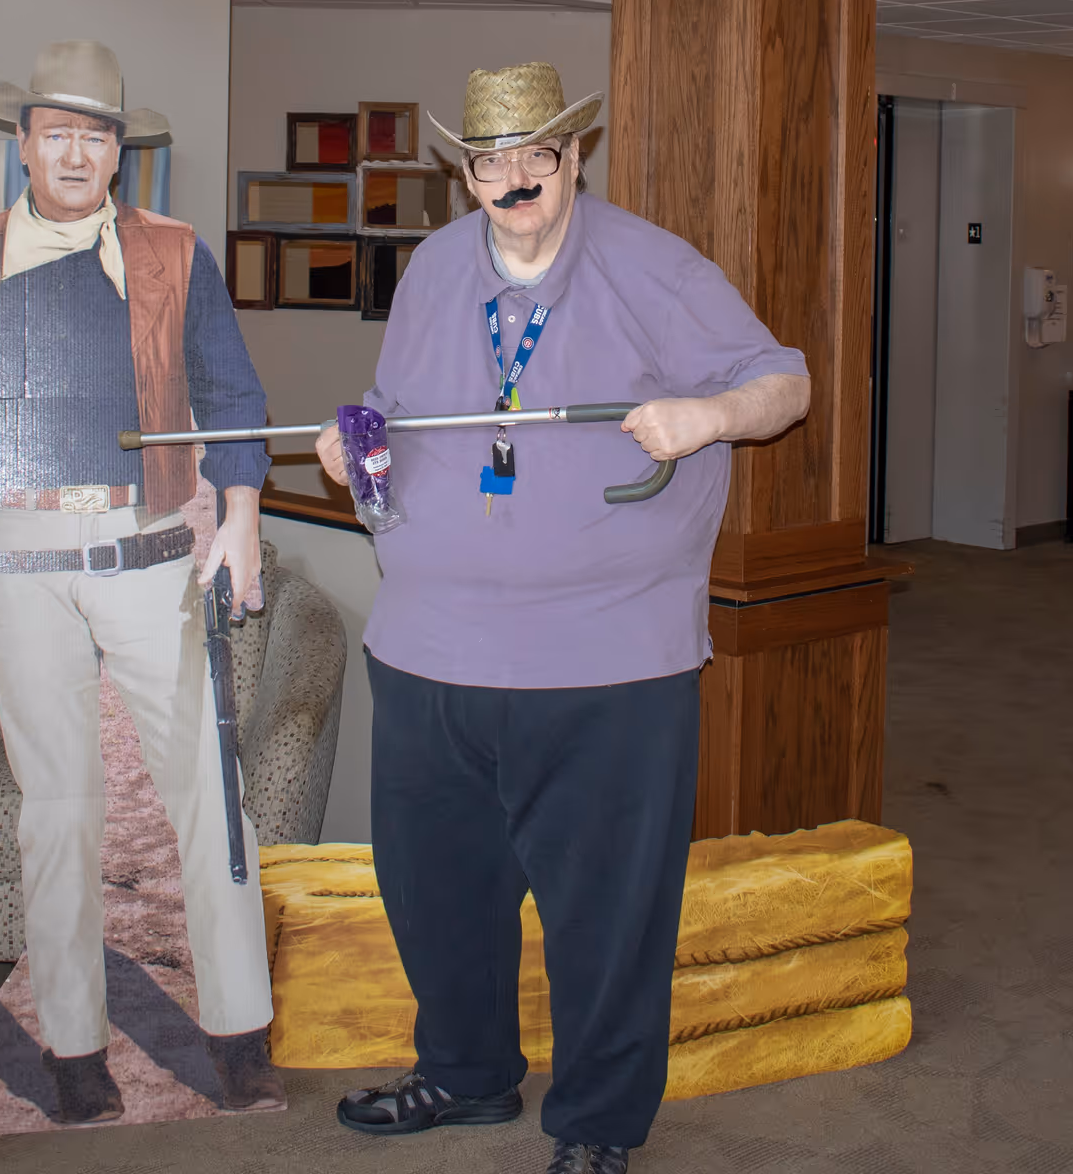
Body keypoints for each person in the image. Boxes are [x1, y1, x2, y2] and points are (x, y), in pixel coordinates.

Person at [315, 62, 811, 1174]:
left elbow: (788, 381)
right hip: (429, 650)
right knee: (438, 886)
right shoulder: (436, 269)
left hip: (610, 664)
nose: (517, 178)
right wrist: (353, 441)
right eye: (493, 158)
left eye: (540, 153)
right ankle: (467, 1070)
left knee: (609, 912)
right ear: (466, 172)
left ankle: (596, 1121)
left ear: (574, 157)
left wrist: (709, 414)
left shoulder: (654, 267)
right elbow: (394, 413)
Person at [0, 39, 280, 1125]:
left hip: (148, 547)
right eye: (57, 131)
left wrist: (243, 516)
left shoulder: (173, 250)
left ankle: (241, 1033)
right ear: (22, 143)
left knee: (210, 792)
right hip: (15, 564)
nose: (77, 150)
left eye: (98, 134)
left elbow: (232, 387)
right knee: (55, 810)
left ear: (122, 151)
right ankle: (72, 1047)